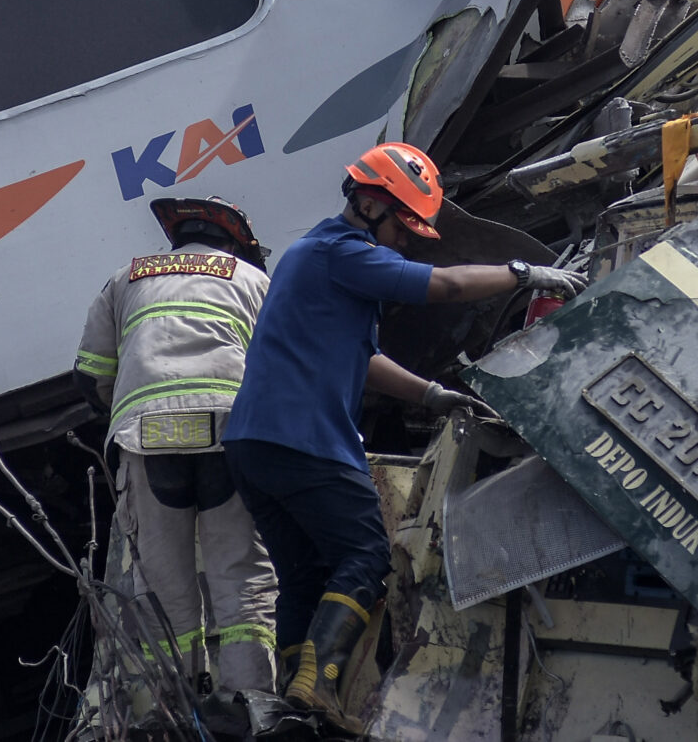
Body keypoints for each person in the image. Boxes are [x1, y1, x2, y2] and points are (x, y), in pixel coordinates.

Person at [222, 142, 587, 723]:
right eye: (403, 224)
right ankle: (319, 689)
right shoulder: (339, 251)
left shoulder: (312, 260)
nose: (406, 239)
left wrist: (432, 394)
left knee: (304, 576)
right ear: (370, 203)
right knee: (366, 554)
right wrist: (521, 272)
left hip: (254, 445)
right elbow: (442, 286)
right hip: (304, 438)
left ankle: (294, 706)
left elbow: (362, 358)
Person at [75, 195, 280, 723]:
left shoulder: (125, 278)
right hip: (230, 429)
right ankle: (251, 705)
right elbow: (283, 368)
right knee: (241, 571)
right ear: (235, 242)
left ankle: (177, 710)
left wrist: (130, 410)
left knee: (163, 584)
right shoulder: (252, 279)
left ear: (177, 238)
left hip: (149, 436)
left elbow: (91, 373)